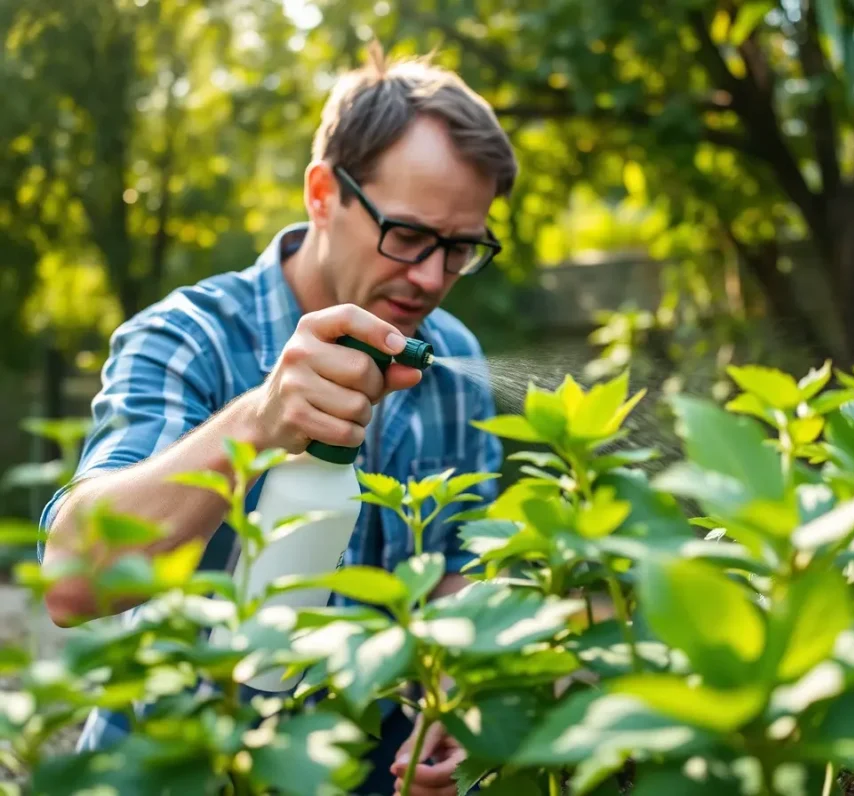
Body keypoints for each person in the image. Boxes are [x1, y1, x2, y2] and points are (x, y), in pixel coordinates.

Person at [37, 41, 517, 796]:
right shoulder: (189, 338)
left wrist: (454, 702)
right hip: (182, 766)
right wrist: (259, 421)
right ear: (323, 193)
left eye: (461, 249)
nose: (431, 277)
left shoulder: (452, 359)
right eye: (409, 235)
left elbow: (458, 575)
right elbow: (72, 583)